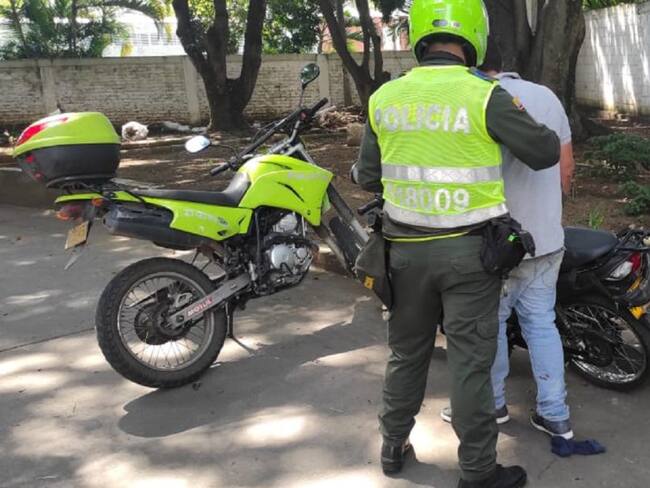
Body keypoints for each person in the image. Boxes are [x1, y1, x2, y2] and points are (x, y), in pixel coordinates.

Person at [353, 1, 561, 486]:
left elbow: (367, 176)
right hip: (470, 257)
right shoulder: (485, 95)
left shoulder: (385, 97)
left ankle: (392, 444)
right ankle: (478, 471)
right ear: (474, 34)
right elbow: (545, 151)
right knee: (470, 364)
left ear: (420, 36)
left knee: (406, 354)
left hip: (403, 254)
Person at [439, 39, 576, 439]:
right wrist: (548, 212)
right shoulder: (546, 96)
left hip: (498, 245)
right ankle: (556, 415)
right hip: (546, 239)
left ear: (472, 65)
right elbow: (566, 168)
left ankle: (494, 404)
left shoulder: (475, 99)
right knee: (542, 324)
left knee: (492, 325)